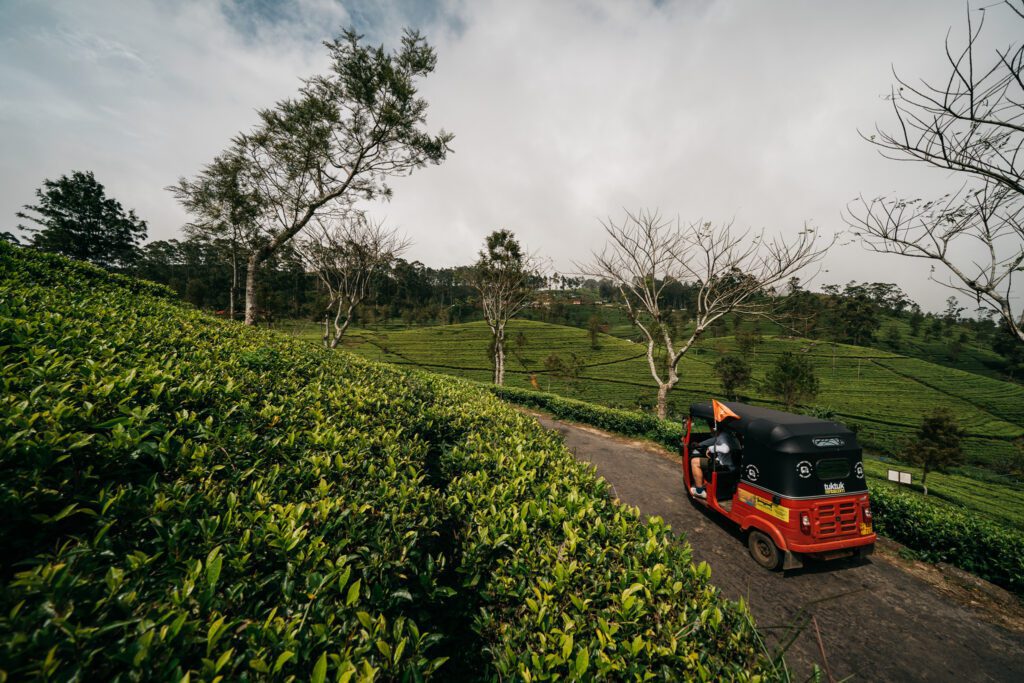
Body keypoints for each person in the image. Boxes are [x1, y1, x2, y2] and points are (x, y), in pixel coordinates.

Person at [690, 427, 740, 499]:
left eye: (711, 428)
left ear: (714, 429)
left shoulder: (723, 436)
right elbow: (714, 440)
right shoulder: (731, 436)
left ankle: (699, 491)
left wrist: (711, 449)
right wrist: (699, 444)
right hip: (733, 467)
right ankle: (705, 483)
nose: (710, 431)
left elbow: (726, 449)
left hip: (723, 466)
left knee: (694, 461)